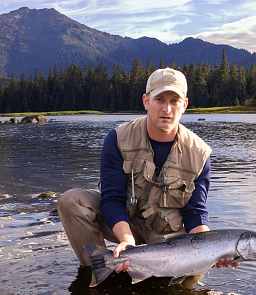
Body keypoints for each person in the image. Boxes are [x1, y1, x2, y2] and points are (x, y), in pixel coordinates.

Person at [57, 68, 237, 276]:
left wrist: (213, 250)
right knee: (72, 201)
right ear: (146, 101)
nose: (167, 109)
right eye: (159, 99)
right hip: (125, 221)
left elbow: (195, 212)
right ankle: (99, 267)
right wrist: (126, 240)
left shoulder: (200, 154)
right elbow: (112, 199)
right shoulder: (118, 139)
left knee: (183, 288)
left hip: (167, 234)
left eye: (174, 101)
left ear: (185, 105)